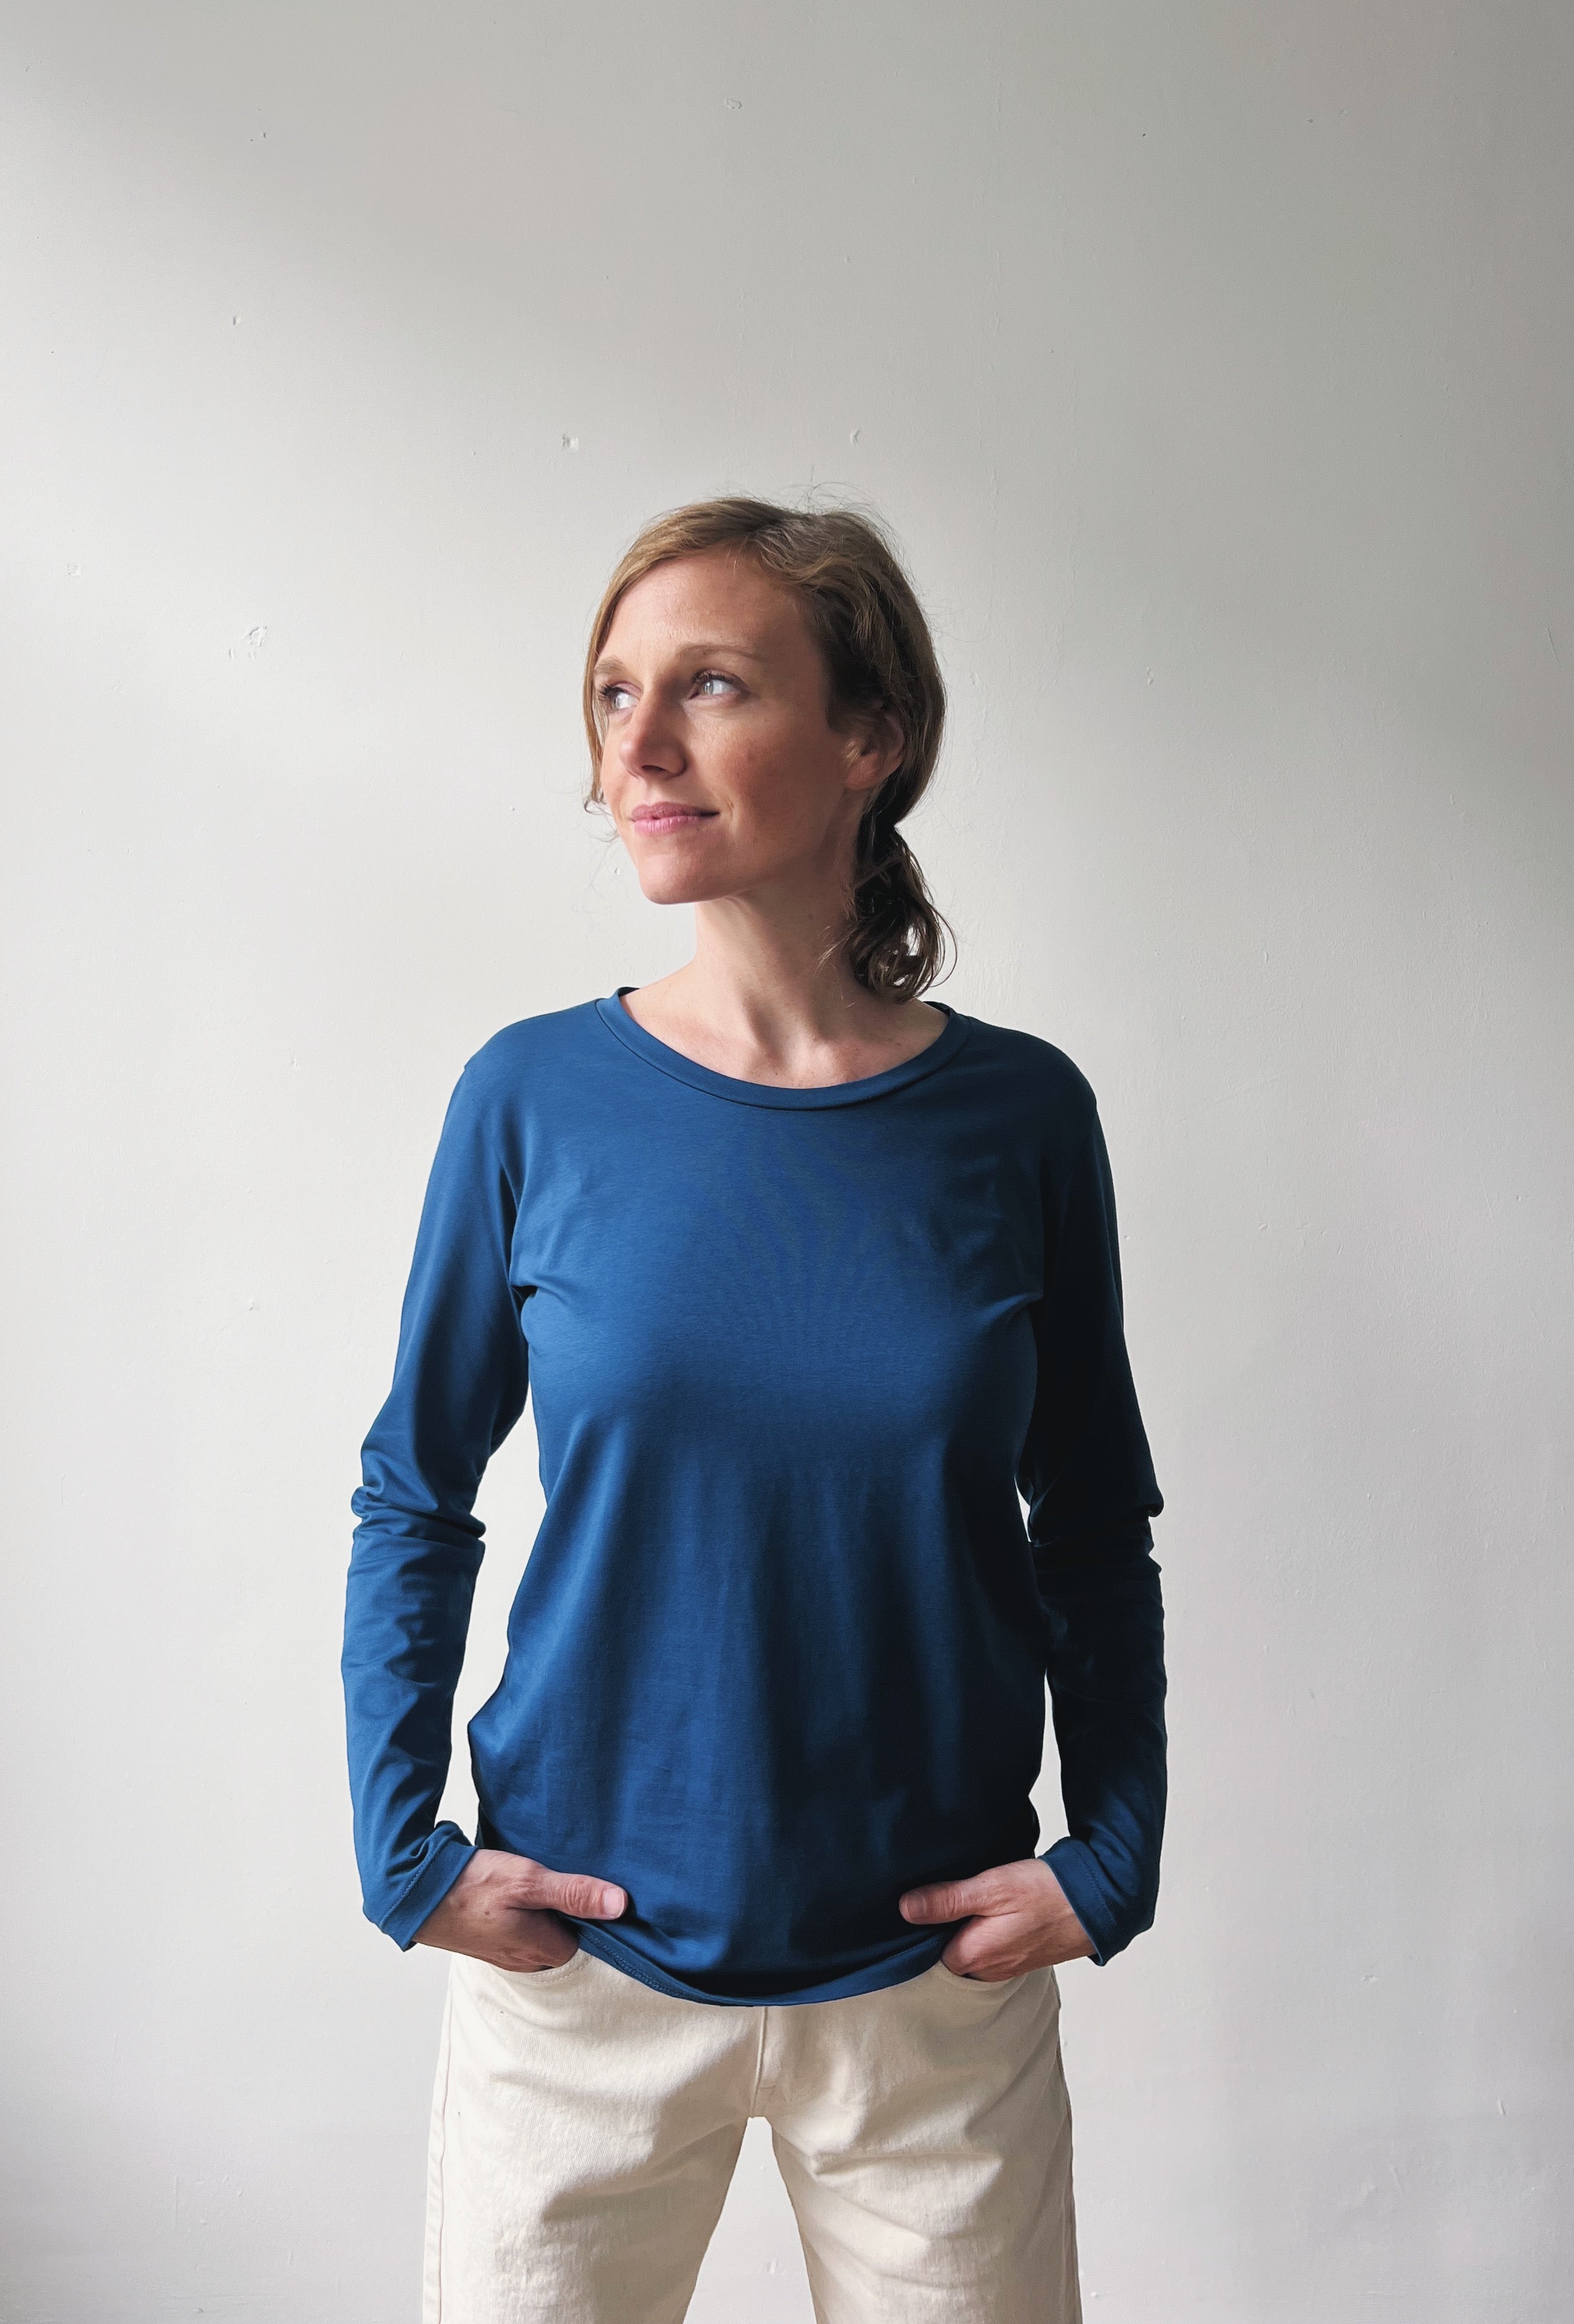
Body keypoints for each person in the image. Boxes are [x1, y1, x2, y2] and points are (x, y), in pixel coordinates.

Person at [340, 495, 1167, 2324]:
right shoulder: (532, 1096)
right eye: (613, 693)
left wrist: (1112, 1858)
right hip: (583, 1980)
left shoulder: (1018, 1120)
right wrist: (404, 1850)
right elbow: (418, 1486)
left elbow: (1093, 1516)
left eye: (705, 687)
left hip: (926, 1994)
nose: (634, 745)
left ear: (869, 738)